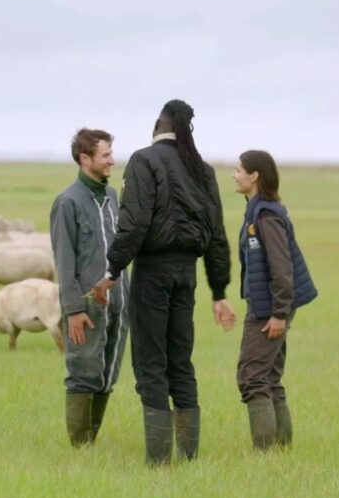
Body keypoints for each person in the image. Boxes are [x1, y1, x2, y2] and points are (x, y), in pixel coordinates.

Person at [93, 99, 236, 465]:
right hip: (187, 275)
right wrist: (219, 291)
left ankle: (159, 460)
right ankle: (189, 457)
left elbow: (135, 223)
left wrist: (112, 271)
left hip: (153, 273)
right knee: (181, 361)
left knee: (151, 362)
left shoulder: (144, 161)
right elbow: (217, 235)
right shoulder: (202, 169)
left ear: (157, 126)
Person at [231, 150, 317, 450]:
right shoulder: (258, 210)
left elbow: (282, 270)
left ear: (254, 176)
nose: (234, 175)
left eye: (239, 170)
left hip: (269, 310)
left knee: (252, 377)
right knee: (268, 376)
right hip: (267, 305)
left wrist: (278, 314)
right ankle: (281, 448)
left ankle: (265, 452)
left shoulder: (266, 215)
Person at [49, 128, 129, 447]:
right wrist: (74, 310)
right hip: (86, 307)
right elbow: (64, 262)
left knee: (108, 373)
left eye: (111, 154)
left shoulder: (111, 198)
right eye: (105, 155)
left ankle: (91, 442)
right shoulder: (67, 202)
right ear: (85, 159)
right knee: (83, 371)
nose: (112, 160)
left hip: (119, 303)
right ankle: (80, 448)